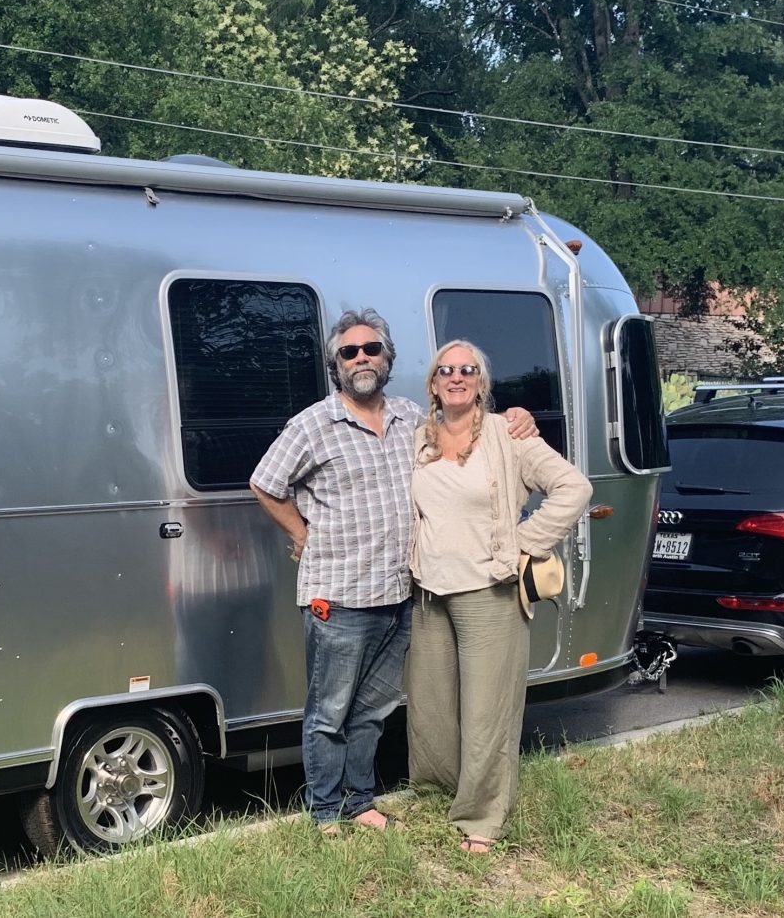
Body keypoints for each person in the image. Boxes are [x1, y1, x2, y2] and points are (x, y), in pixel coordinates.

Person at [250, 309, 535, 834]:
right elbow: (265, 484)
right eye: (349, 352)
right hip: (337, 596)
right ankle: (325, 811)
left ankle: (360, 801)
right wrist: (302, 535)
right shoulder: (313, 424)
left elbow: (464, 427)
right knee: (329, 712)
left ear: (387, 358)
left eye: (371, 349)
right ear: (336, 365)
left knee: (373, 710)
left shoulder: (411, 420)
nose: (361, 358)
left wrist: (517, 417)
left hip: (400, 594)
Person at [405, 339, 591, 853]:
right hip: (429, 591)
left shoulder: (509, 436)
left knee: (488, 712)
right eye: (446, 370)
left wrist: (523, 542)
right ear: (433, 382)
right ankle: (438, 790)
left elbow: (574, 488)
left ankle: (483, 818)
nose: (456, 377)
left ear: (481, 382)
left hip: (490, 591)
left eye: (468, 370)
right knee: (432, 707)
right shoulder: (419, 439)